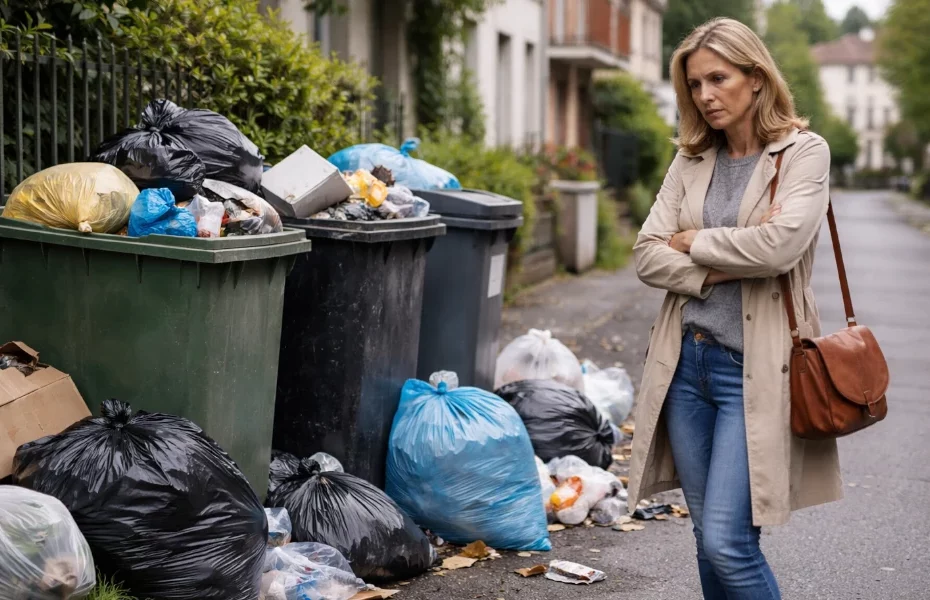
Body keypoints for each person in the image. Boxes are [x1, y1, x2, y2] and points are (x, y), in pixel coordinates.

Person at [626, 18, 843, 600]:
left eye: (718, 78)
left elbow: (781, 246)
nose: (706, 95)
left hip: (754, 370)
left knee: (727, 541)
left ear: (755, 77)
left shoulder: (802, 153)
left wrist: (691, 242)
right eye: (695, 84)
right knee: (708, 539)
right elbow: (647, 256)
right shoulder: (692, 159)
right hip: (686, 368)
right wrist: (724, 266)